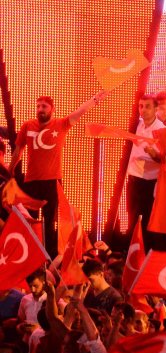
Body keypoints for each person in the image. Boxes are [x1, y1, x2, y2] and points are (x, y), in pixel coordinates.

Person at [11, 91, 107, 257]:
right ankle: (30, 255)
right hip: (31, 182)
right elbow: (18, 150)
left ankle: (48, 257)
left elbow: (80, 111)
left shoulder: (61, 124)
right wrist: (10, 170)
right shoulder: (27, 126)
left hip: (52, 183)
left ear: (52, 109)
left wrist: (94, 100)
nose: (40, 109)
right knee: (30, 222)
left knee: (49, 223)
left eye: (44, 106)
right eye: (38, 106)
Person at [126, 93, 166, 250]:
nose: (143, 110)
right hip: (133, 178)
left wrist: (154, 154)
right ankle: (132, 253)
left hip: (150, 181)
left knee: (146, 220)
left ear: (156, 109)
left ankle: (146, 253)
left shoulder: (162, 130)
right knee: (131, 217)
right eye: (140, 106)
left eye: (147, 106)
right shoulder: (135, 125)